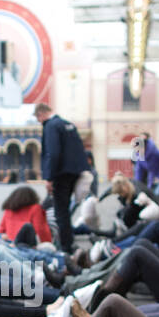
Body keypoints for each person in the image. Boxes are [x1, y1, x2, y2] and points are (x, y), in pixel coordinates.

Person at [35, 102, 88, 253]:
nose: (40, 123)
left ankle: (66, 247)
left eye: (38, 119)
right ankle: (68, 241)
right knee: (65, 210)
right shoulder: (68, 124)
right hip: (74, 173)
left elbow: (53, 153)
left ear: (41, 114)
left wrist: (49, 178)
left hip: (60, 174)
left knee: (61, 211)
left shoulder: (51, 126)